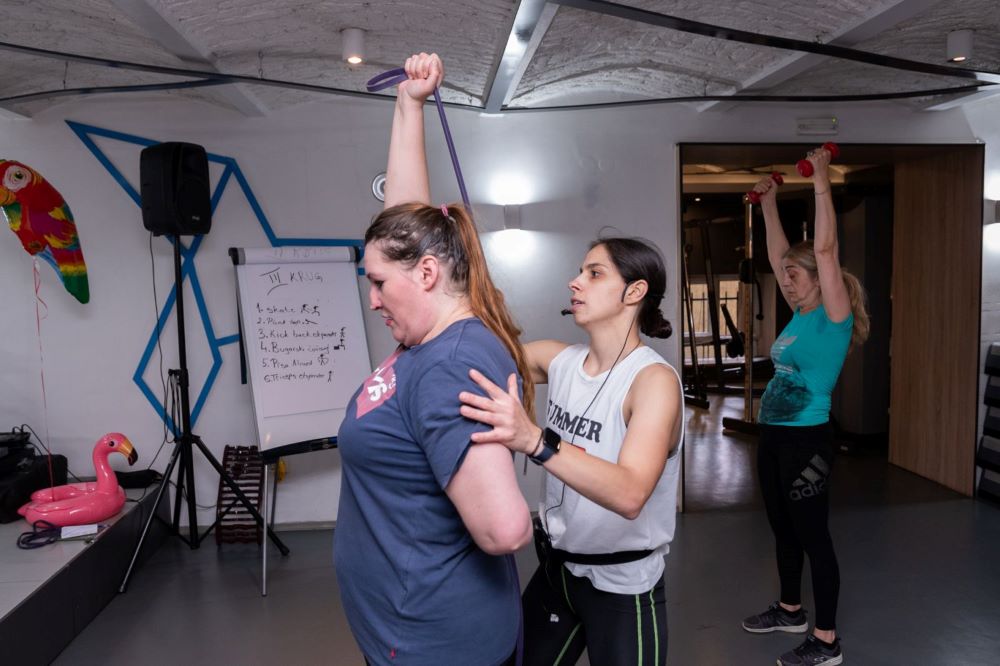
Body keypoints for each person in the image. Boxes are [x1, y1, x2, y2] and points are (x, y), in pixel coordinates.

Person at [333, 51, 534, 666]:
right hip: (413, 631)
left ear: (426, 275)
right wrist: (408, 105)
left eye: (378, 284)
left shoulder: (449, 363)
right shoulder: (432, 332)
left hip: (434, 642)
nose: (372, 300)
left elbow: (506, 528)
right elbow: (406, 226)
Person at [459, 235, 685, 666]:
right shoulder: (558, 360)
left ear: (634, 292)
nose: (575, 282)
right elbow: (475, 360)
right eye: (580, 272)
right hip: (558, 571)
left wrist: (535, 441)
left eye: (594, 274)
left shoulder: (652, 381)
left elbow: (630, 493)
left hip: (622, 584)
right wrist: (472, 299)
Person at [740, 146, 870, 666]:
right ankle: (791, 610)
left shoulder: (833, 316)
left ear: (819, 278)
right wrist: (769, 203)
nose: (787, 279)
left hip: (807, 442)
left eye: (796, 274)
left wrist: (820, 180)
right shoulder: (798, 313)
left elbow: (826, 250)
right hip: (774, 438)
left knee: (815, 538)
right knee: (783, 527)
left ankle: (827, 641)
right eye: (787, 274)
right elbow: (778, 257)